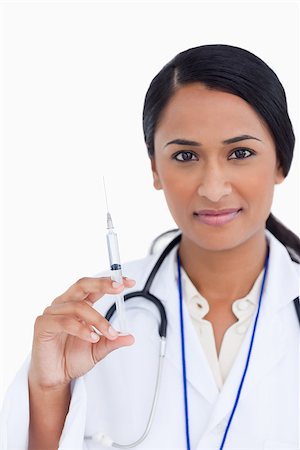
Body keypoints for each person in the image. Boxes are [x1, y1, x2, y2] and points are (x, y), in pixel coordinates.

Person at [1, 44, 299, 450]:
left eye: (240, 153)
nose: (213, 188)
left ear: (281, 160)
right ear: (155, 168)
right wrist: (50, 388)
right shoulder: (98, 317)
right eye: (185, 155)